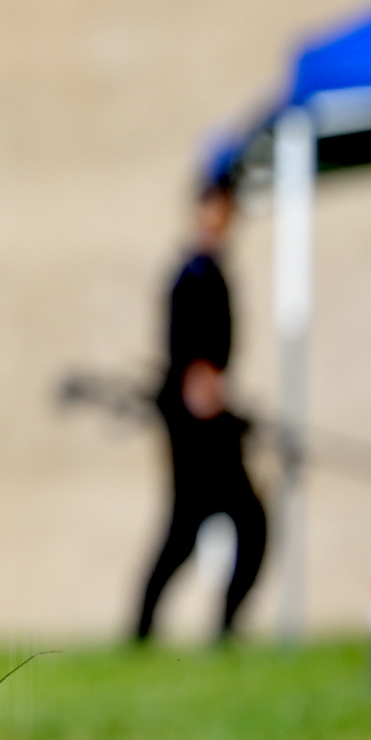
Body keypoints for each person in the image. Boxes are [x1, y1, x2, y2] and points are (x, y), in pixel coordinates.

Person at [134, 178, 268, 641]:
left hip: (212, 419)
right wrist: (200, 384)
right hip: (196, 426)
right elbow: (187, 355)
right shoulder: (192, 274)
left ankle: (214, 626)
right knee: (200, 528)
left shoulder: (212, 269)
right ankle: (146, 626)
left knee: (227, 527)